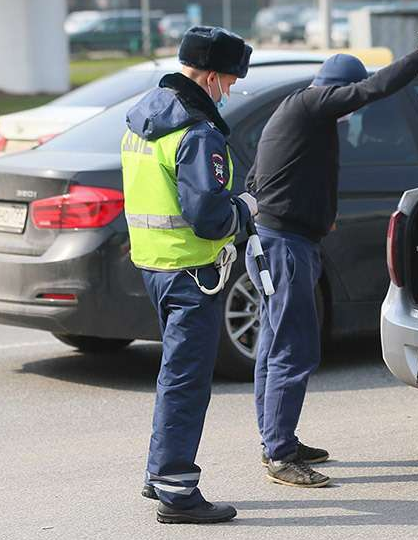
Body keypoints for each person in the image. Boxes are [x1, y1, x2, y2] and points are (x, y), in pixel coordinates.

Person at [243, 16, 418, 488]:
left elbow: (260, 178)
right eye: (347, 101)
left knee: (276, 344)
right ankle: (279, 454)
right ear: (337, 90)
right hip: (284, 248)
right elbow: (374, 89)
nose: (351, 112)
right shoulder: (316, 105)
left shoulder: (299, 114)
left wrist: (317, 214)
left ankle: (279, 439)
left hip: (281, 239)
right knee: (292, 348)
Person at [120, 26, 259, 524]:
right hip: (191, 272)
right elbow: (210, 217)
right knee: (186, 381)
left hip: (154, 265)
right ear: (214, 75)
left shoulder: (143, 115)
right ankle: (177, 488)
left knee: (172, 375)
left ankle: (159, 474)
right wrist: (245, 208)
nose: (232, 89)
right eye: (231, 80)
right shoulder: (197, 132)